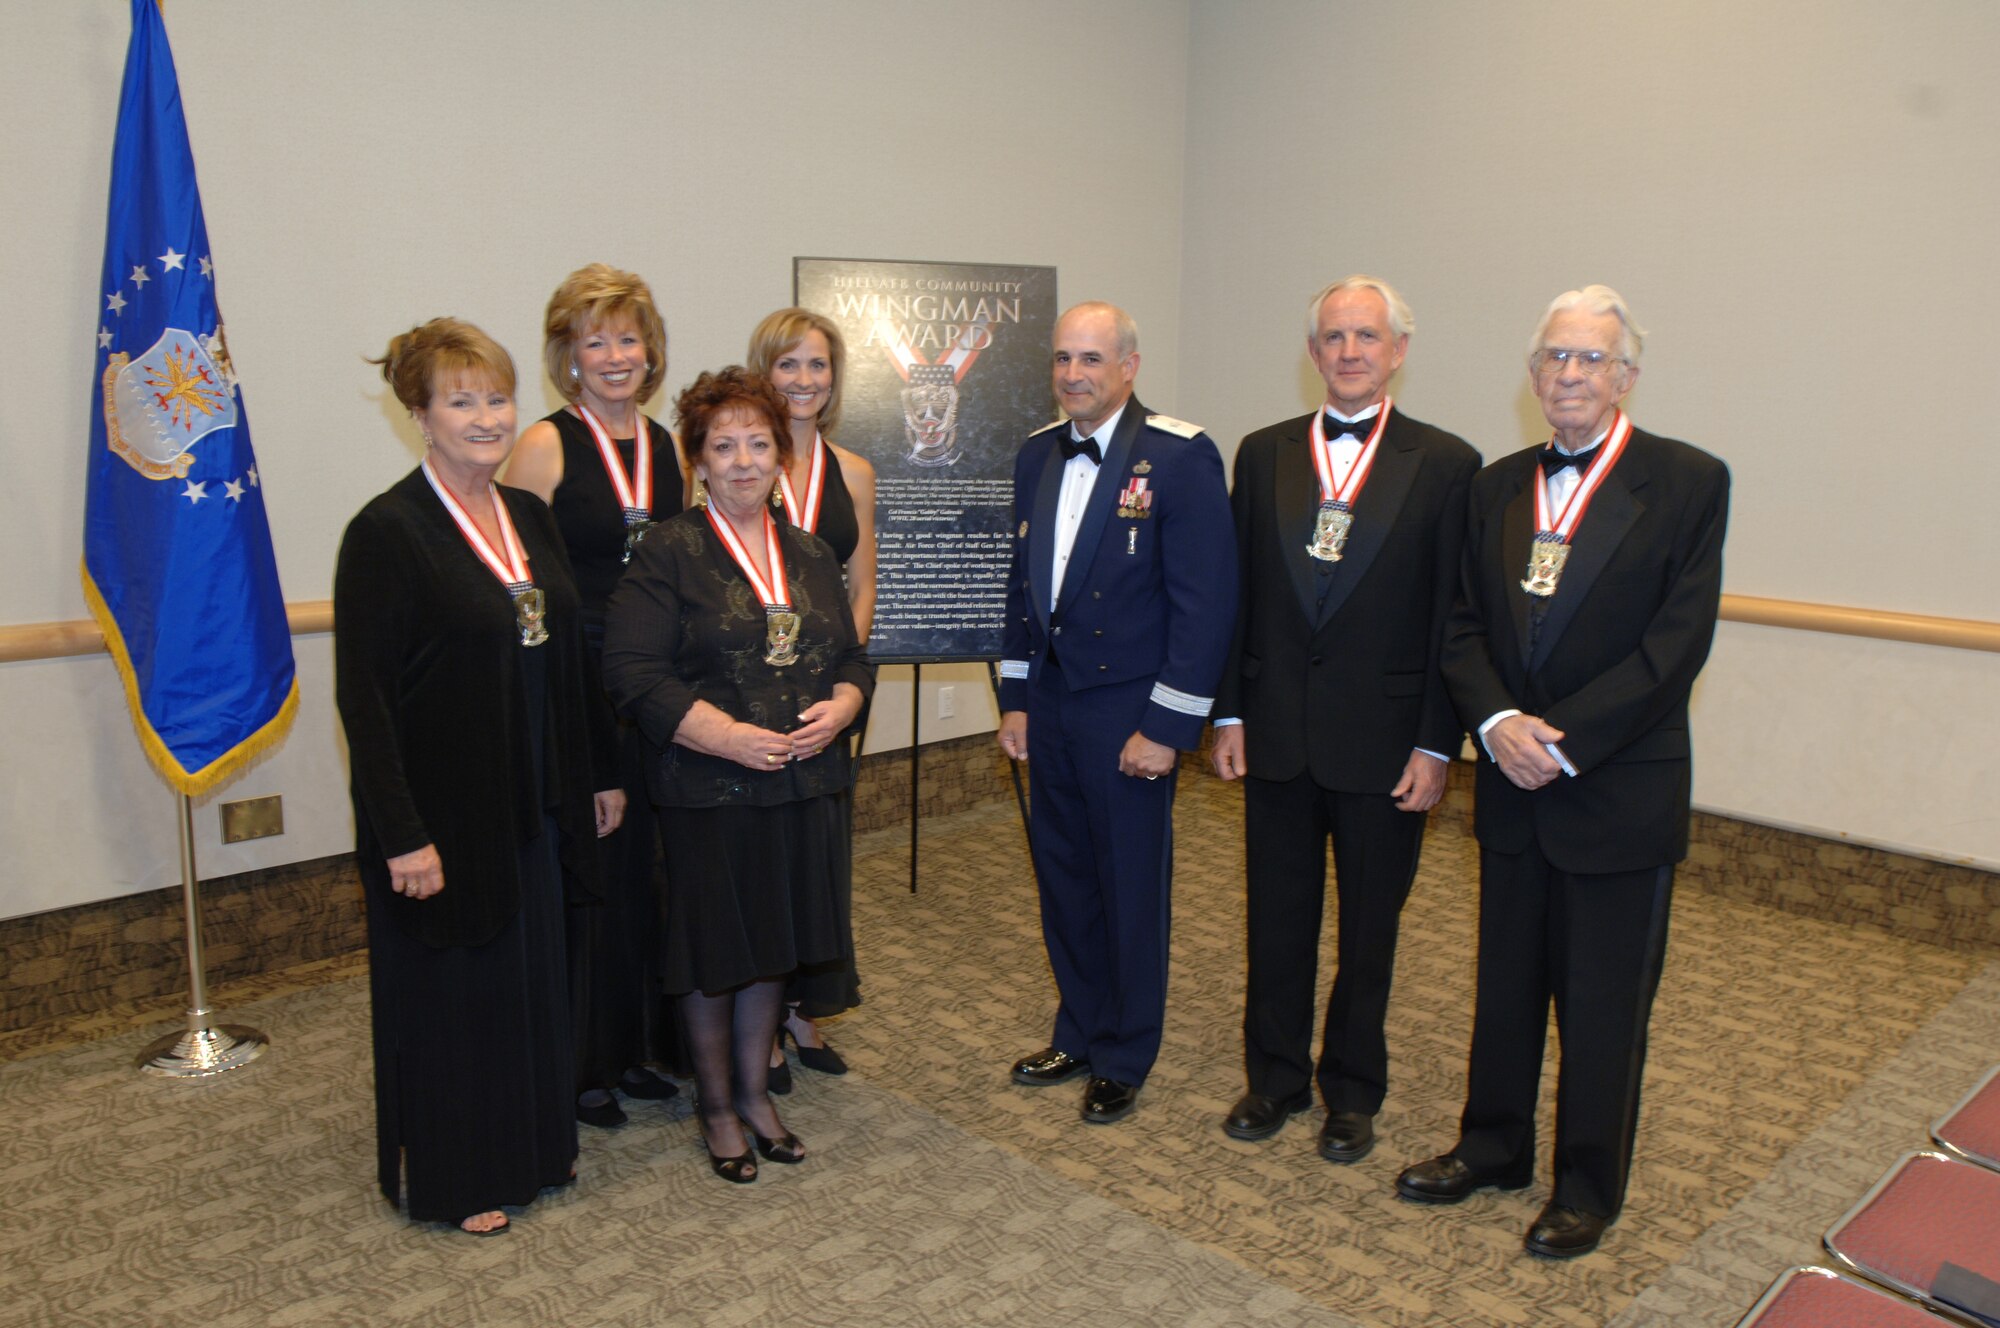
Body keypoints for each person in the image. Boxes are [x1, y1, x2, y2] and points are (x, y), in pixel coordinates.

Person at [1393, 286, 1729, 1258]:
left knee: (1602, 998)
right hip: (1507, 777)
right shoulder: (1494, 483)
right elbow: (1457, 623)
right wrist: (1496, 721)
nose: (1568, 375)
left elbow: (1673, 646)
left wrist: (1559, 738)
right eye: (1553, 358)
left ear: (1623, 376)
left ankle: (1586, 1182)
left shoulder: (1685, 481)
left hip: (1614, 788)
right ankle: (1490, 1146)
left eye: (1589, 359)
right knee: (1502, 982)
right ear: (1532, 372)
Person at [335, 318, 624, 1236]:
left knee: (530, 986)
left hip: (536, 804)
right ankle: (461, 1178)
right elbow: (366, 704)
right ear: (419, 414)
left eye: (497, 397)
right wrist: (401, 834)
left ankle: (534, 1148)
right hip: (445, 820)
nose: (488, 417)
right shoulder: (387, 533)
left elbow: (568, 661)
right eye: (462, 401)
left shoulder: (528, 516)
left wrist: (599, 774)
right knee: (456, 1002)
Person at [1211, 276, 1479, 1163]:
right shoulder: (1263, 453)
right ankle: (1274, 1079)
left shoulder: (1447, 464)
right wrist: (1231, 712)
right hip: (1277, 731)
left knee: (1371, 932)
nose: (1351, 351)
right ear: (1314, 352)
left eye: (1368, 336)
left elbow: (1454, 616)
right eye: (1334, 336)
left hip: (1387, 743)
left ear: (1398, 350)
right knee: (1276, 921)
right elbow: (1236, 596)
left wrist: (1439, 741)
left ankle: (1353, 1091)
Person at [602, 367, 874, 1182]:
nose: (745, 460)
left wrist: (847, 704)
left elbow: (853, 652)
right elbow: (632, 672)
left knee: (774, 950)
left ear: (781, 460)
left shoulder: (811, 550)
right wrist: (726, 738)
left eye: (760, 443)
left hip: (802, 785)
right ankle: (717, 1109)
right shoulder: (667, 552)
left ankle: (757, 1095)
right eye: (725, 446)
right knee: (718, 953)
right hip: (710, 790)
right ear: (699, 462)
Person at [996, 301, 1236, 1126]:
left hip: (1130, 710)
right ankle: (1079, 1027)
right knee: (1063, 877)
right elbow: (1019, 590)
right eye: (1064, 359)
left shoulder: (1178, 456)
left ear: (1129, 366)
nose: (1074, 375)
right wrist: (1017, 697)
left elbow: (1205, 608)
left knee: (1129, 885)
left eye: (1092, 359)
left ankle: (1127, 1050)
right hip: (1055, 703)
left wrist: (1168, 728)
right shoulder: (1035, 455)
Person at [504, 264, 684, 1129]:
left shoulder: (671, 445)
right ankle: (579, 1061)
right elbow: (515, 579)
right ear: (568, 357)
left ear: (651, 352)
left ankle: (633, 1044)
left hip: (656, 690)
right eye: (595, 341)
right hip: (578, 691)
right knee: (591, 875)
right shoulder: (544, 445)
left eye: (628, 338)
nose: (615, 356)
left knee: (648, 876)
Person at [745, 307, 879, 1084]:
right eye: (788, 364)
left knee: (818, 854)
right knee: (762, 855)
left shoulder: (853, 472)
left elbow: (861, 584)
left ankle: (803, 1011)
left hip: (827, 696)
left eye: (817, 365)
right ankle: (759, 1021)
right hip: (748, 697)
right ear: (764, 372)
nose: (803, 380)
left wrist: (841, 676)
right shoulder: (739, 460)